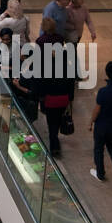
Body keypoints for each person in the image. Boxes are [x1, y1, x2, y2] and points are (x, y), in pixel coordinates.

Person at [36, 18, 73, 157]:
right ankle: (55, 137)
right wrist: (70, 98)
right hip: (63, 99)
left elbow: (41, 84)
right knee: (57, 120)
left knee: (51, 123)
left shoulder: (41, 42)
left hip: (50, 100)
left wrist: (40, 97)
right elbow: (70, 82)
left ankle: (54, 146)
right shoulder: (65, 65)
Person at [88, 61, 112, 186]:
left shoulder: (103, 91)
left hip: (101, 125)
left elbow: (97, 109)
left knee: (99, 148)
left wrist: (90, 122)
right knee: (111, 146)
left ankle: (100, 173)